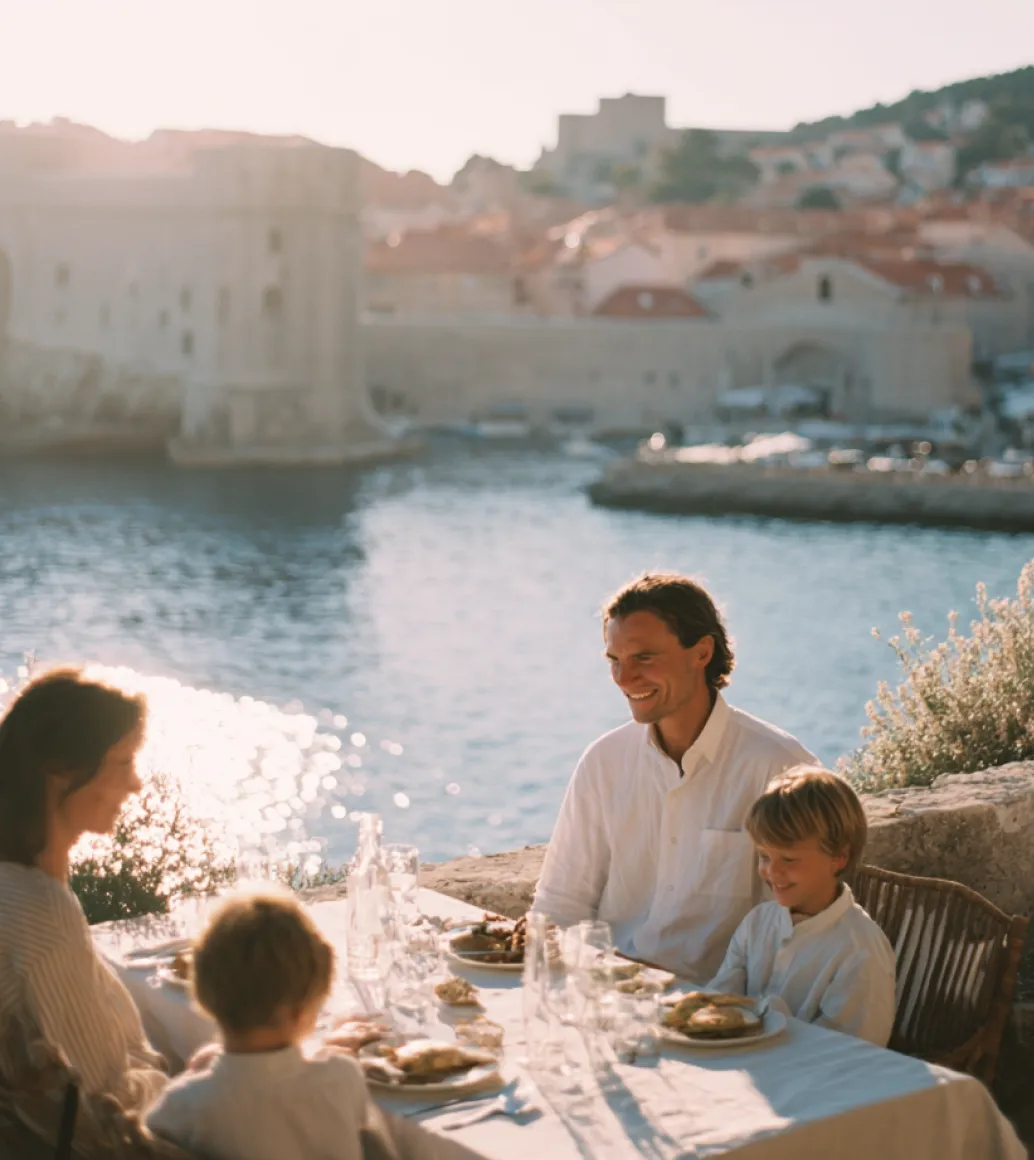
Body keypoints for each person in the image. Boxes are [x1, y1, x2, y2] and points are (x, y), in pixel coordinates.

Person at [533, 572, 817, 980]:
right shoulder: (604, 762)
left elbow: (805, 928)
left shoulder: (780, 769)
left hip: (722, 1014)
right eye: (614, 660)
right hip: (608, 999)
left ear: (702, 653)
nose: (623, 679)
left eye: (644, 658)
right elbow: (560, 904)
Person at [145, 891, 478, 1160]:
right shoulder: (341, 1079)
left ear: (202, 995)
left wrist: (196, 1074)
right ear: (305, 1010)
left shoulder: (184, 1105)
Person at [0, 668, 168, 1109]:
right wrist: (194, 1086)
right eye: (124, 762)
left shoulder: (25, 880)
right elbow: (105, 1100)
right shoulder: (41, 911)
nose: (136, 784)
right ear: (62, 769)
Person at [707, 767, 896, 1046]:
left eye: (789, 859)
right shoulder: (757, 922)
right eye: (764, 856)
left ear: (839, 856)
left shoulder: (859, 949)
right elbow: (721, 999)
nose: (772, 872)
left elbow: (854, 1051)